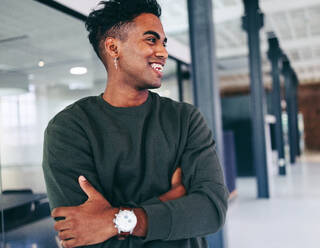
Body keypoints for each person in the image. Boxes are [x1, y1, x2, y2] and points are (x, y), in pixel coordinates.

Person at [42, 0, 229, 247]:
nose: (163, 52)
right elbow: (84, 237)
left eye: (163, 43)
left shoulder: (185, 119)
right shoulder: (69, 129)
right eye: (151, 40)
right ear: (113, 47)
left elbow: (211, 210)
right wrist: (167, 202)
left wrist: (114, 221)